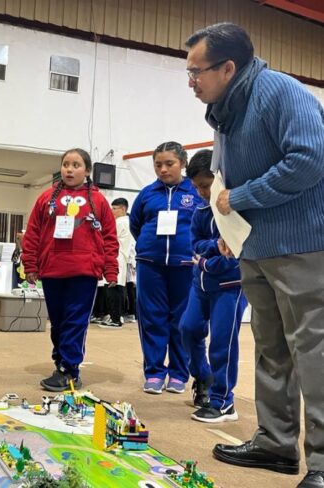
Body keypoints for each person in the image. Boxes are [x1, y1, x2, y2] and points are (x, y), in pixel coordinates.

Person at [186, 22, 324, 486]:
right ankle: (277, 443)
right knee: (271, 350)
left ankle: (322, 463)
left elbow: (309, 160)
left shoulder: (282, 93)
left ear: (228, 67)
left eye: (196, 71)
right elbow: (225, 181)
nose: (191, 80)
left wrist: (242, 198)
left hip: (302, 245)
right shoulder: (224, 109)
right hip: (255, 245)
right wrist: (230, 227)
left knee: (314, 353)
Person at [21, 148, 119, 392]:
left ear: (87, 170)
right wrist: (30, 264)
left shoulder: (99, 201)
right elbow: (32, 233)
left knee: (75, 321)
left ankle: (69, 369)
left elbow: (109, 236)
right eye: (66, 164)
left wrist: (111, 270)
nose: (70, 169)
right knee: (58, 322)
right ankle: (61, 362)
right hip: (52, 269)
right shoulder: (46, 198)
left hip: (84, 271)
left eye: (76, 165)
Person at [179, 149, 247, 424]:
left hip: (230, 285)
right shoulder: (200, 210)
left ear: (217, 180)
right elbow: (195, 244)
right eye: (196, 187)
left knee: (222, 342)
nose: (201, 192)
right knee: (188, 328)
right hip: (201, 285)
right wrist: (211, 250)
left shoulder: (235, 209)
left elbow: (234, 250)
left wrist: (207, 261)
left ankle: (223, 401)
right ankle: (204, 376)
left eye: (205, 186)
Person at [129, 141, 201, 395]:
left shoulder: (196, 192)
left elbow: (204, 225)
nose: (162, 169)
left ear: (182, 163)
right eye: (158, 164)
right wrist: (151, 248)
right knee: (152, 318)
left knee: (181, 321)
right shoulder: (148, 193)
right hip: (151, 265)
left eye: (169, 164)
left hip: (185, 265)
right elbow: (135, 225)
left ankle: (179, 374)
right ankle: (155, 372)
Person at [101, 198, 134, 328]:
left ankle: (115, 319)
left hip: (116, 256)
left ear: (123, 209)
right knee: (119, 288)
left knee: (113, 288)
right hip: (121, 257)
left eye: (114, 208)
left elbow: (107, 238)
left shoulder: (120, 222)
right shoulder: (128, 221)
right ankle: (117, 317)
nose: (112, 211)